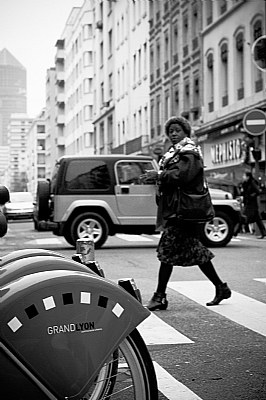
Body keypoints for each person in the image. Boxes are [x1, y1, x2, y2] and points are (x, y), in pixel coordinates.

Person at [141, 116, 231, 311]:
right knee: (194, 251)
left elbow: (183, 176)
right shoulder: (175, 153)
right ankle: (220, 287)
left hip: (185, 211)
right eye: (170, 131)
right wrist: (157, 179)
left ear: (185, 132)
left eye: (177, 130)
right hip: (178, 211)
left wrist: (159, 175)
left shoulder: (189, 153)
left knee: (167, 252)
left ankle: (160, 296)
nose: (173, 134)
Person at [241, 171, 266, 239]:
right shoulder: (245, 184)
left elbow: (257, 191)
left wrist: (251, 196)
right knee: (258, 219)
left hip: (251, 204)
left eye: (244, 176)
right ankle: (263, 232)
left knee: (244, 217)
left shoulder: (252, 182)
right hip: (249, 204)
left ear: (248, 177)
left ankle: (235, 231)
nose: (243, 177)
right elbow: (244, 193)